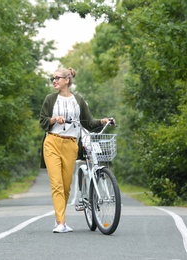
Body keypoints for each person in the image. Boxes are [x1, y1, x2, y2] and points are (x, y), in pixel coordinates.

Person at [39, 67, 112, 233]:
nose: (54, 81)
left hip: (71, 145)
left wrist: (102, 121)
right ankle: (61, 223)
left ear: (67, 80)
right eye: (53, 79)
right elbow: (42, 121)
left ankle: (60, 219)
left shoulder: (78, 100)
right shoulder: (50, 99)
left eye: (57, 78)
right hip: (52, 143)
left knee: (66, 186)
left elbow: (88, 123)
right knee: (56, 184)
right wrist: (54, 119)